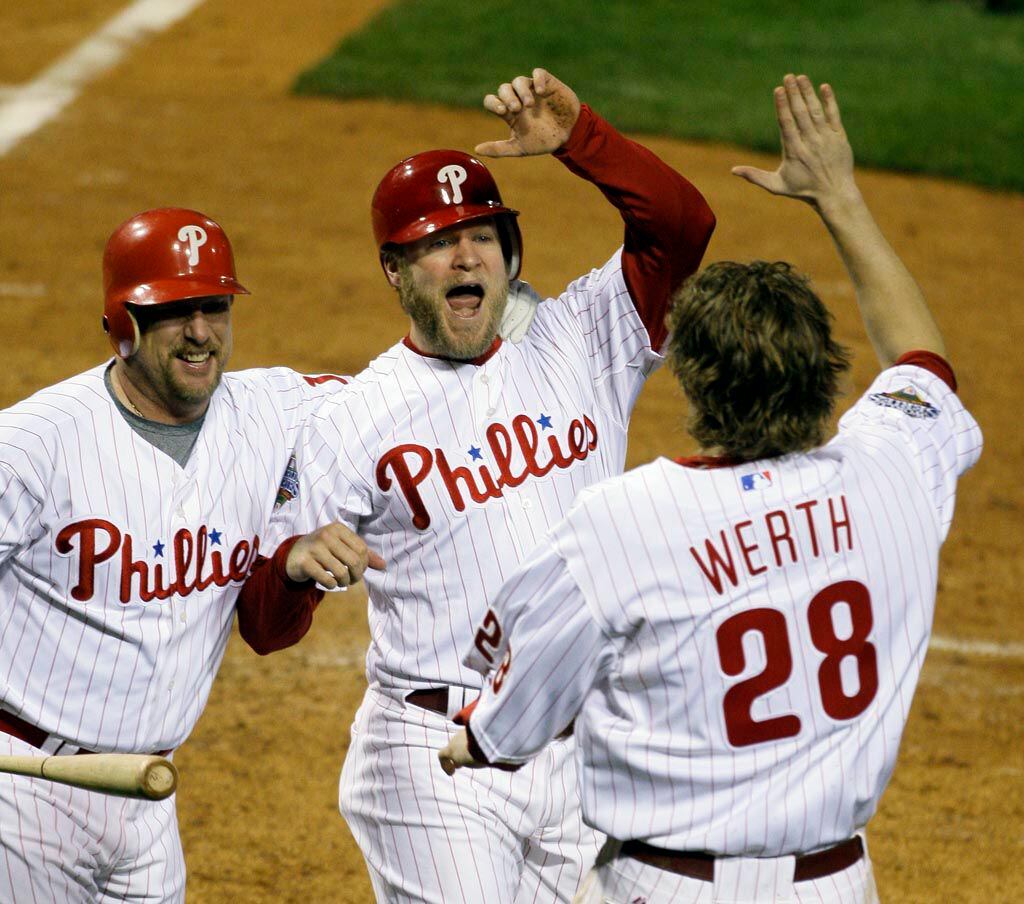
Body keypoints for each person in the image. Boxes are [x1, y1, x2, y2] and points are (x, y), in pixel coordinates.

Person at [438, 75, 983, 904]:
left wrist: (474, 743)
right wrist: (837, 195)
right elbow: (923, 364)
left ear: (691, 378)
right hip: (834, 886)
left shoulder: (626, 521)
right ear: (826, 370)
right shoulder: (894, 472)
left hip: (668, 886)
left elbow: (512, 718)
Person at [268, 68, 715, 901]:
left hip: (583, 746)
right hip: (436, 757)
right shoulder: (350, 419)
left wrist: (584, 139)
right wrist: (293, 563)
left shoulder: (582, 336)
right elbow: (266, 626)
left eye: (482, 234)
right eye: (437, 242)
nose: (464, 254)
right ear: (396, 272)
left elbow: (684, 226)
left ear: (509, 254)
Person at [0, 207, 381, 902]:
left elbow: (408, 401)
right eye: (175, 312)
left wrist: (515, 328)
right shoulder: (31, 446)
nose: (201, 333)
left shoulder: (275, 412)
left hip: (149, 799)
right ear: (124, 326)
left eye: (215, 307)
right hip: (21, 791)